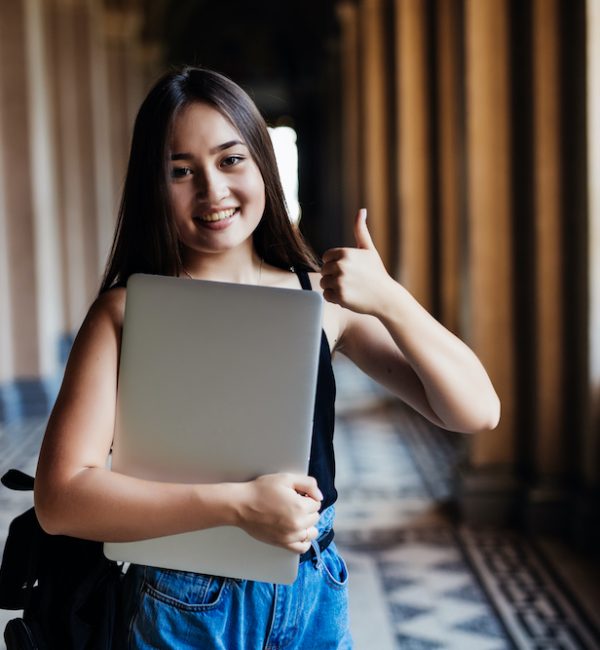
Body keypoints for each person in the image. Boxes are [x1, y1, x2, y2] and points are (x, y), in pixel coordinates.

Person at [33, 66, 500, 649]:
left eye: (231, 160)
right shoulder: (126, 313)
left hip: (314, 594)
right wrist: (235, 507)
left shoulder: (321, 301)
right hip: (182, 603)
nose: (212, 191)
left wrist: (391, 300)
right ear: (152, 185)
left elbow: (476, 412)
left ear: (263, 163)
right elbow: (59, 499)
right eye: (181, 171)